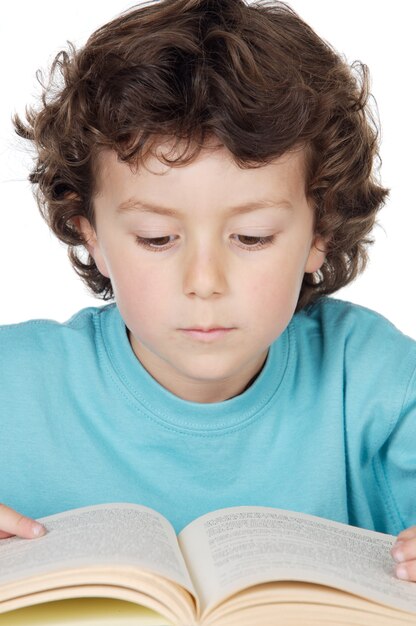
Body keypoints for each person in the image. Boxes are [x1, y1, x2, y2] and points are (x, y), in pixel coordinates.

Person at [1, 0, 415, 583]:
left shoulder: (378, 384)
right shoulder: (11, 384)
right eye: (156, 237)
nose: (204, 283)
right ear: (88, 232)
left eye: (252, 237)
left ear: (319, 232)